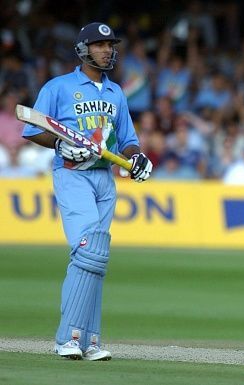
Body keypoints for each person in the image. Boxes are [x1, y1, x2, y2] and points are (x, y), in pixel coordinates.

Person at [21, 22, 153, 361]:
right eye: (99, 44)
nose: (107, 50)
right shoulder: (59, 87)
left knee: (96, 259)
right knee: (89, 251)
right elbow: (31, 128)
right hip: (72, 176)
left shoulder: (116, 92)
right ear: (83, 49)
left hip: (104, 179)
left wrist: (137, 159)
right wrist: (63, 145)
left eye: (110, 45)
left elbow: (127, 140)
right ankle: (68, 337)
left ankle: (90, 339)